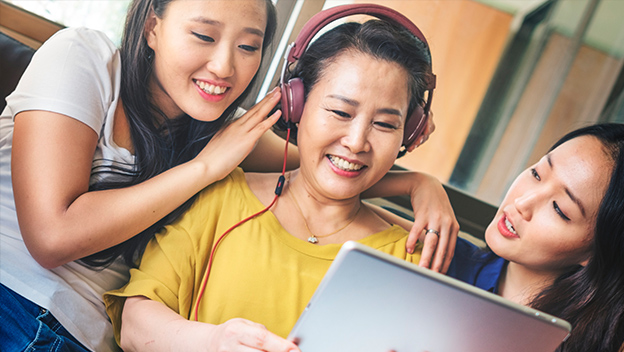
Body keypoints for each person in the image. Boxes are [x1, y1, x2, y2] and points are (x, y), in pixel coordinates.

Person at [0, 1, 458, 351]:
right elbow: (51, 236)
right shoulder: (85, 60)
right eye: (203, 35)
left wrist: (419, 184)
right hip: (12, 294)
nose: (224, 67)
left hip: (81, 335)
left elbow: (324, 164)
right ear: (152, 26)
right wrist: (204, 168)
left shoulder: (225, 132)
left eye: (248, 46)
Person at [447, 123, 624, 352]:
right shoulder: (436, 260)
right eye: (537, 173)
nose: (523, 203)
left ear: (597, 251)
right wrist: (417, 185)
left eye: (559, 209)